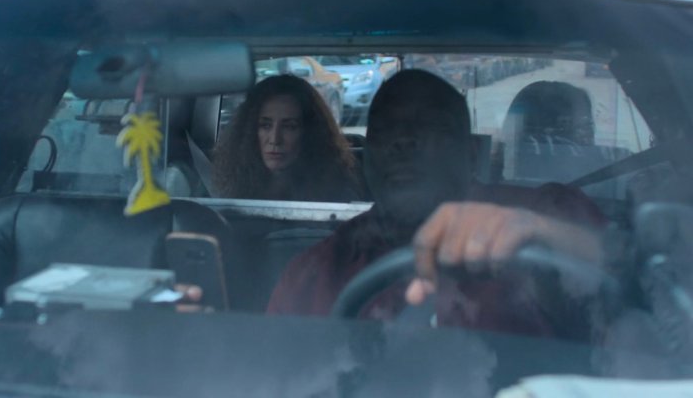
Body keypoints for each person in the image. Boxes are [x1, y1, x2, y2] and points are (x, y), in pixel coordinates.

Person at [267, 70, 607, 337]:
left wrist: (538, 234)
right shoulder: (315, 271)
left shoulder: (539, 212)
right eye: (386, 130)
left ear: (471, 153)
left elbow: (624, 265)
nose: (402, 141)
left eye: (426, 126)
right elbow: (272, 376)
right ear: (366, 153)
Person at [212, 74, 360, 202]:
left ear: (310, 133)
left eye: (289, 127)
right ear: (249, 131)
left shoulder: (336, 193)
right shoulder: (228, 187)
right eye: (265, 125)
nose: (275, 139)